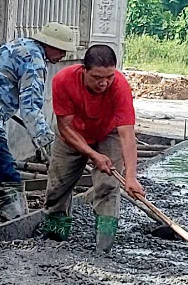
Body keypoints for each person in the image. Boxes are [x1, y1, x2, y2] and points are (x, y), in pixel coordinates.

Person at [0, 23, 77, 223]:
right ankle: (15, 219)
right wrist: (48, 143)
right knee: (6, 168)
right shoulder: (35, 62)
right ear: (50, 44)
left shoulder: (21, 44)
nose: (63, 56)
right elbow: (31, 109)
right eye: (61, 50)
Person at [43, 44, 147, 250]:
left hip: (107, 132)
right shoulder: (63, 80)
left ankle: (103, 246)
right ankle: (54, 239)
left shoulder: (119, 86)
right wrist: (93, 155)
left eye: (109, 76)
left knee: (108, 185)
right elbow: (64, 127)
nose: (104, 83)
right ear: (84, 70)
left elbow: (127, 135)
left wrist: (131, 177)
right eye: (98, 77)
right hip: (72, 133)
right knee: (58, 185)